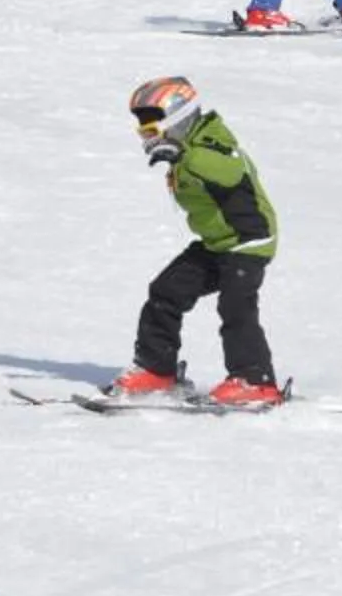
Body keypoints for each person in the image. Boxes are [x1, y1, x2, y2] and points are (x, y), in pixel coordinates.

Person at [107, 76, 284, 408]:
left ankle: (255, 381)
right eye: (142, 125)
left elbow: (229, 169)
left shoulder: (215, 143)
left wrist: (182, 154)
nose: (146, 130)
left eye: (150, 122)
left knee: (235, 305)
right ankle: (157, 369)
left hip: (248, 241)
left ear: (176, 114)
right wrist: (178, 155)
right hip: (217, 244)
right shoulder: (185, 152)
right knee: (166, 291)